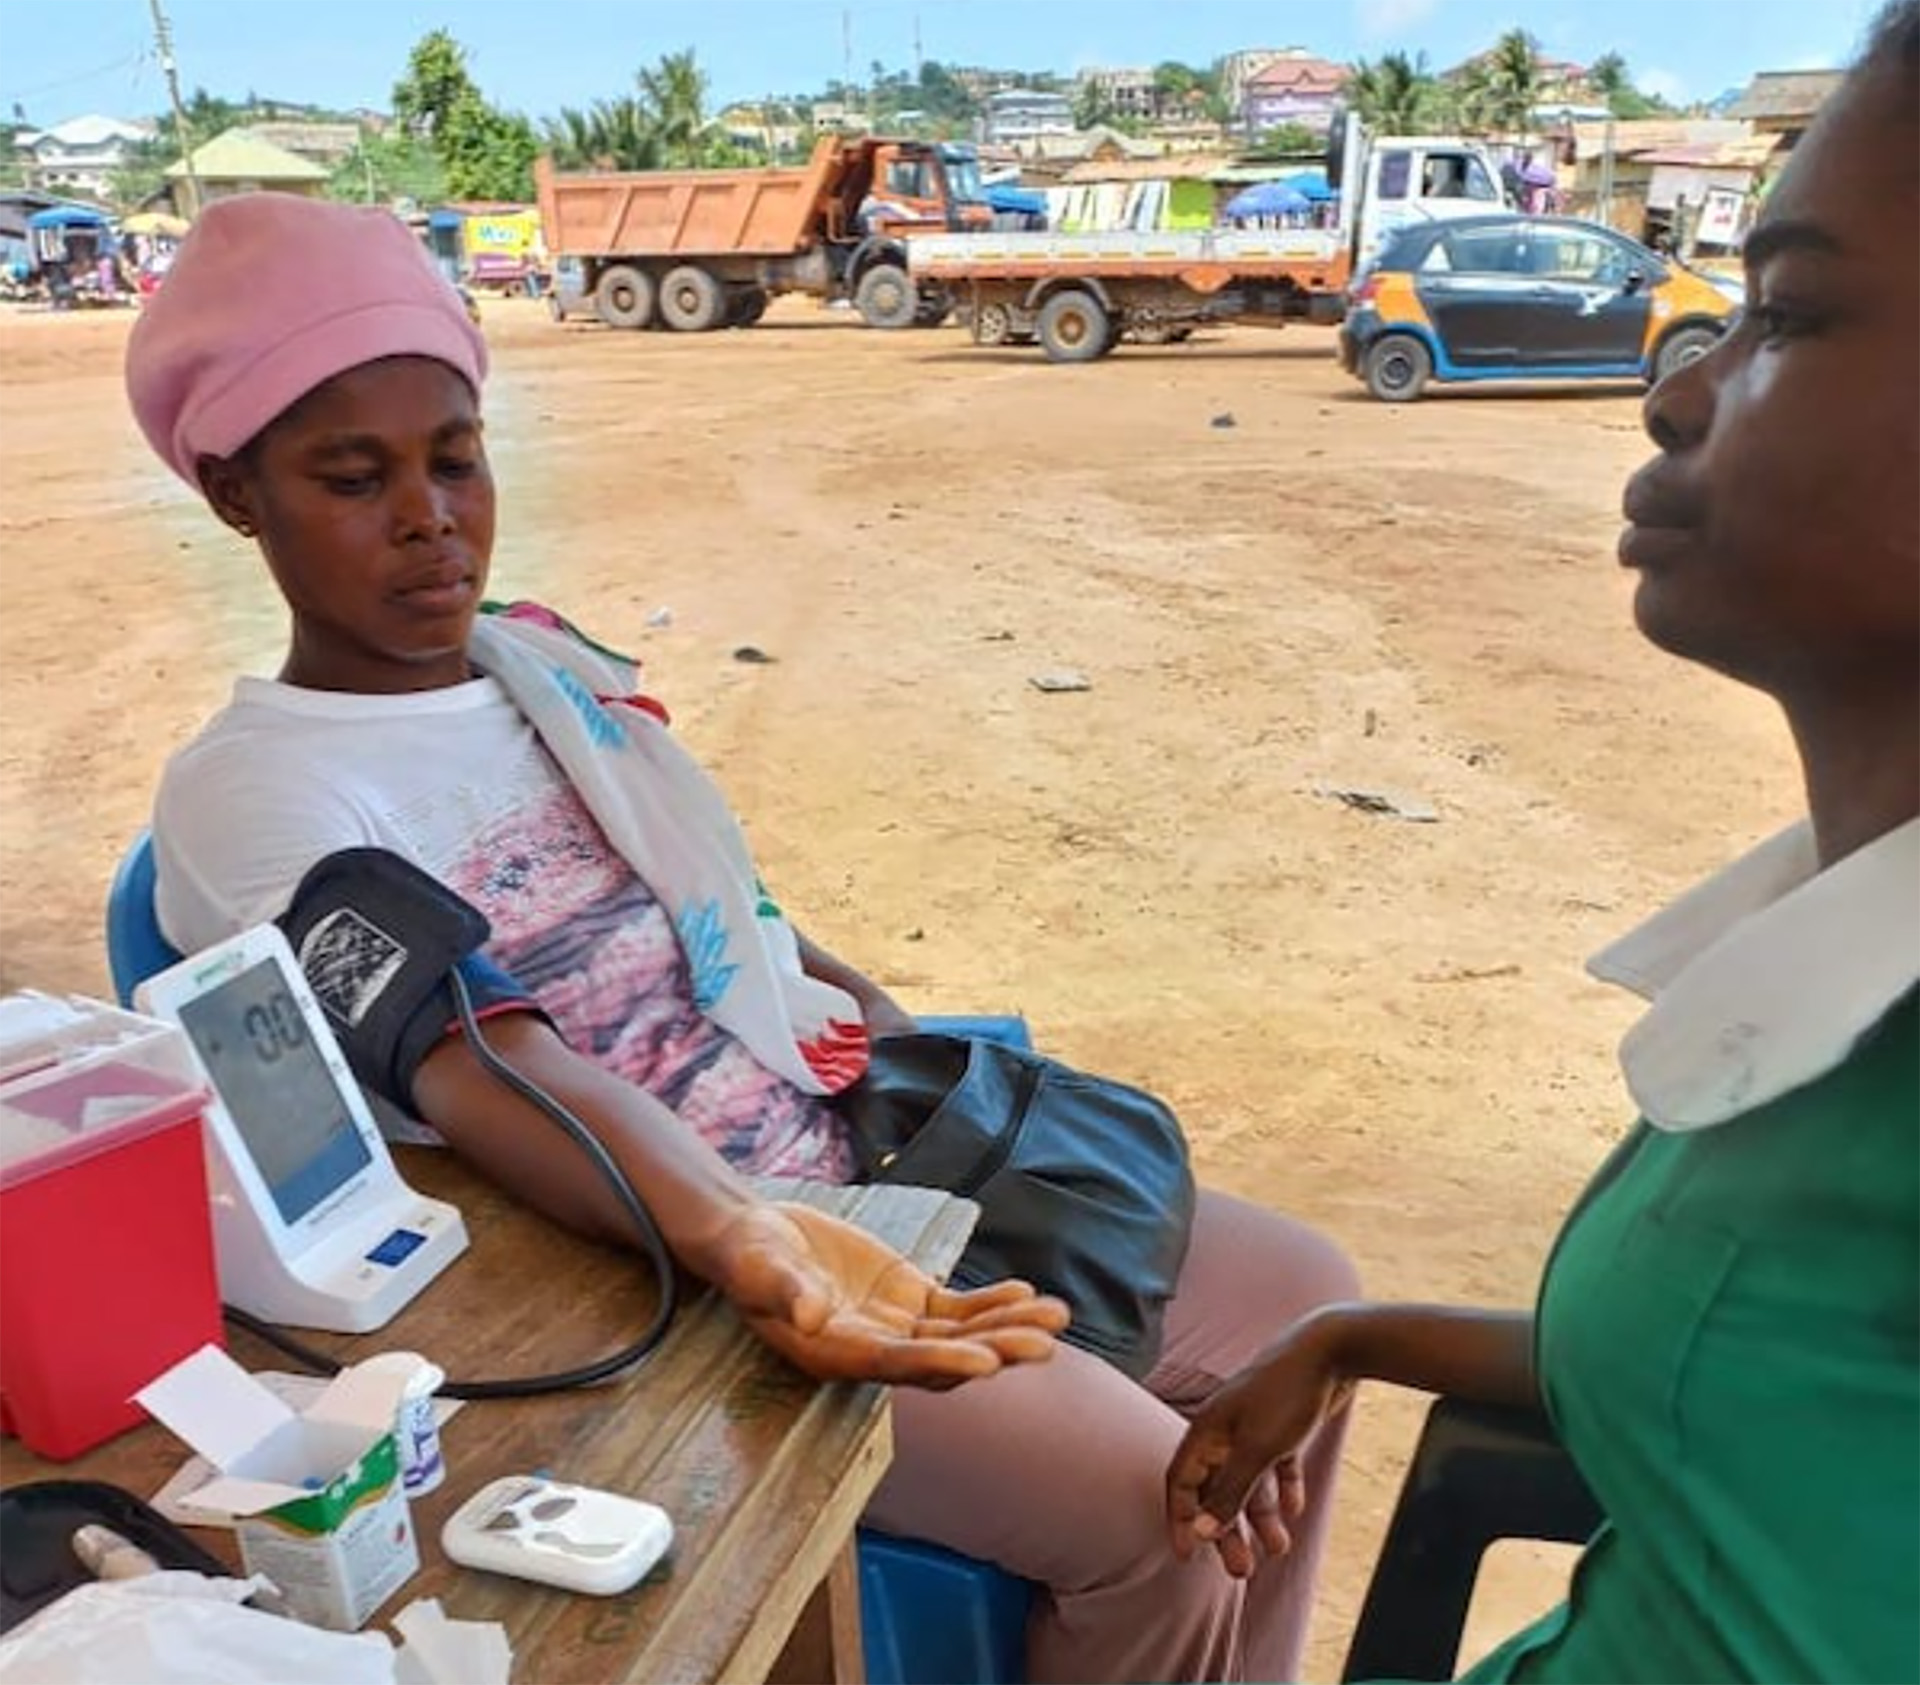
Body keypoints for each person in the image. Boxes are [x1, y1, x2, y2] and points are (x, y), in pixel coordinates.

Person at [123, 192, 1360, 1684]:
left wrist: (884, 1037)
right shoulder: (255, 792)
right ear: (235, 495)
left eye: (454, 458)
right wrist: (743, 1233)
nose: (427, 515)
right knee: (1160, 1515)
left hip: (842, 1149)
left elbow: (715, 911)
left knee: (1311, 1309)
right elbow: (483, 1055)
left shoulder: (537, 667)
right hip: (669, 1255)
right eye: (351, 475)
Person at [1167, 6, 1919, 1680]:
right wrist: (1358, 1332)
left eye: (1792, 313)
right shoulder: (1847, 966)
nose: (1679, 392)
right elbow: (1779, 1384)